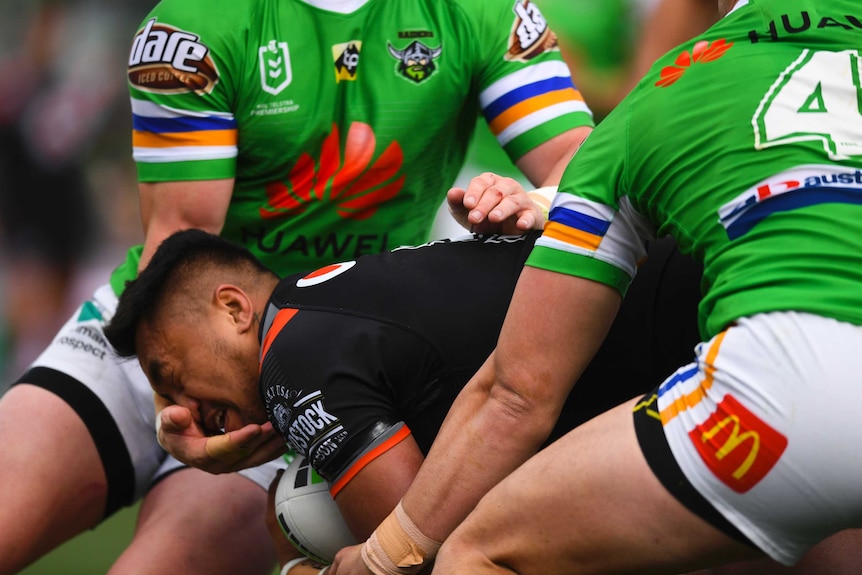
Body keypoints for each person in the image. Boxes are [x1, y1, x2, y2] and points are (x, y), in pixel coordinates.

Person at [0, 0, 595, 572]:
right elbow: (181, 233)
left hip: (313, 367)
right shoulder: (198, 22)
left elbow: (579, 159)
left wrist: (533, 200)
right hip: (154, 330)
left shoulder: (479, 9)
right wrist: (167, 399)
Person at [325, 0, 862, 574]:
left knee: (478, 552)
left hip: (788, 394)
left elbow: (516, 395)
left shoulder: (652, 99)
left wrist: (379, 559)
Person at [102, 226, 703, 573]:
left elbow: (418, 558)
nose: (180, 408)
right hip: (702, 309)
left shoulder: (290, 355)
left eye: (170, 374)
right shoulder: (324, 307)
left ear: (234, 309)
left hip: (701, 345)